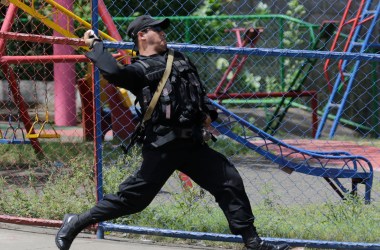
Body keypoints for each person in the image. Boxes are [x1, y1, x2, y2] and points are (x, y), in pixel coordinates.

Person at [55, 15, 290, 250]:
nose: (163, 32)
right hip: (163, 145)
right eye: (157, 29)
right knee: (134, 200)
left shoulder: (179, 59)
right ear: (142, 35)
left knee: (229, 181)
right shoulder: (139, 70)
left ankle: (253, 242)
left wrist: (209, 114)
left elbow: (200, 93)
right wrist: (96, 46)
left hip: (192, 144)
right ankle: (76, 221)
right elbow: (115, 73)